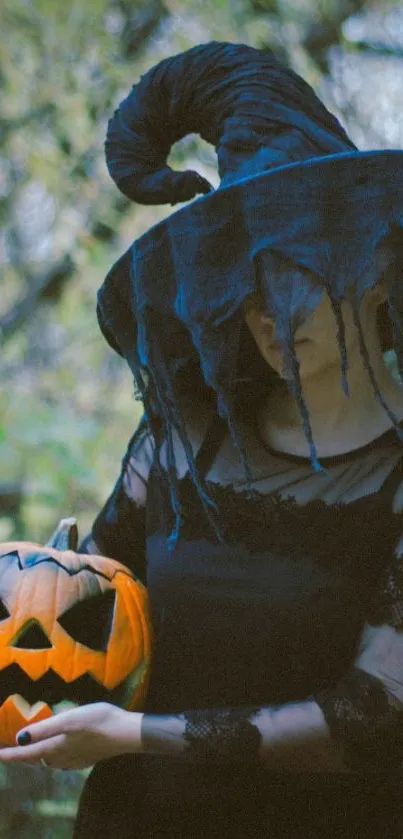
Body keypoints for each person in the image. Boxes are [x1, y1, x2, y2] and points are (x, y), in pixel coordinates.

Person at [2, 41, 403, 838]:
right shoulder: (183, 441)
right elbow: (89, 602)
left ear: (369, 267)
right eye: (243, 282)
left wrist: (134, 736)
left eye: (289, 268)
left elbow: (372, 715)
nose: (266, 306)